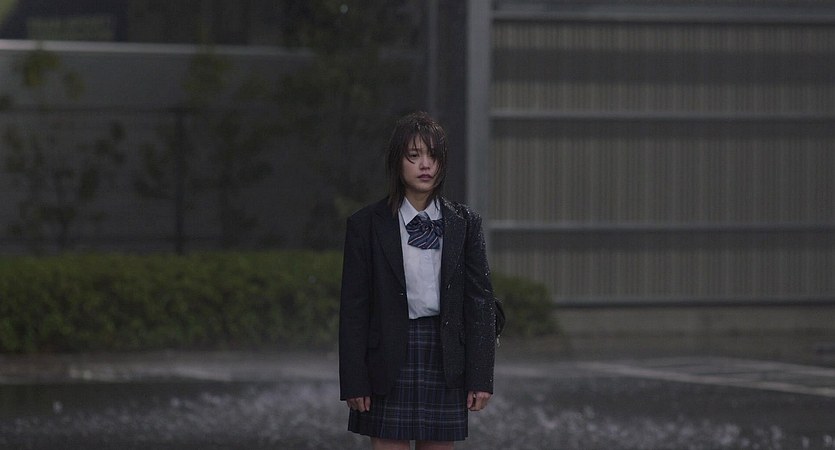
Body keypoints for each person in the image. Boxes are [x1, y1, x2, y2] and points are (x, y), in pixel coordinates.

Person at [339, 111, 497, 449]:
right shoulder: (366, 225)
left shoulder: (465, 223)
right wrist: (354, 380)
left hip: (445, 355)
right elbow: (354, 310)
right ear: (397, 162)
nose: (425, 165)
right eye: (414, 156)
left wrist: (481, 376)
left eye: (433, 156)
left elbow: (480, 304)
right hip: (386, 357)